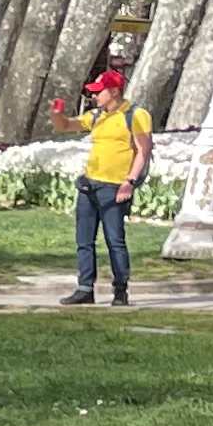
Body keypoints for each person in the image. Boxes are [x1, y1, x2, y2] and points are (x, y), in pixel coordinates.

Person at [61, 69, 151, 304]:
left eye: (99, 92)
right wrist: (57, 114)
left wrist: (129, 182)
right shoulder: (97, 116)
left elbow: (143, 151)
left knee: (115, 240)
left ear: (113, 91)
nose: (95, 97)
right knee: (84, 240)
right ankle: (84, 288)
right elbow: (66, 126)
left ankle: (120, 290)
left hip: (115, 187)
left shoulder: (136, 115)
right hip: (89, 185)